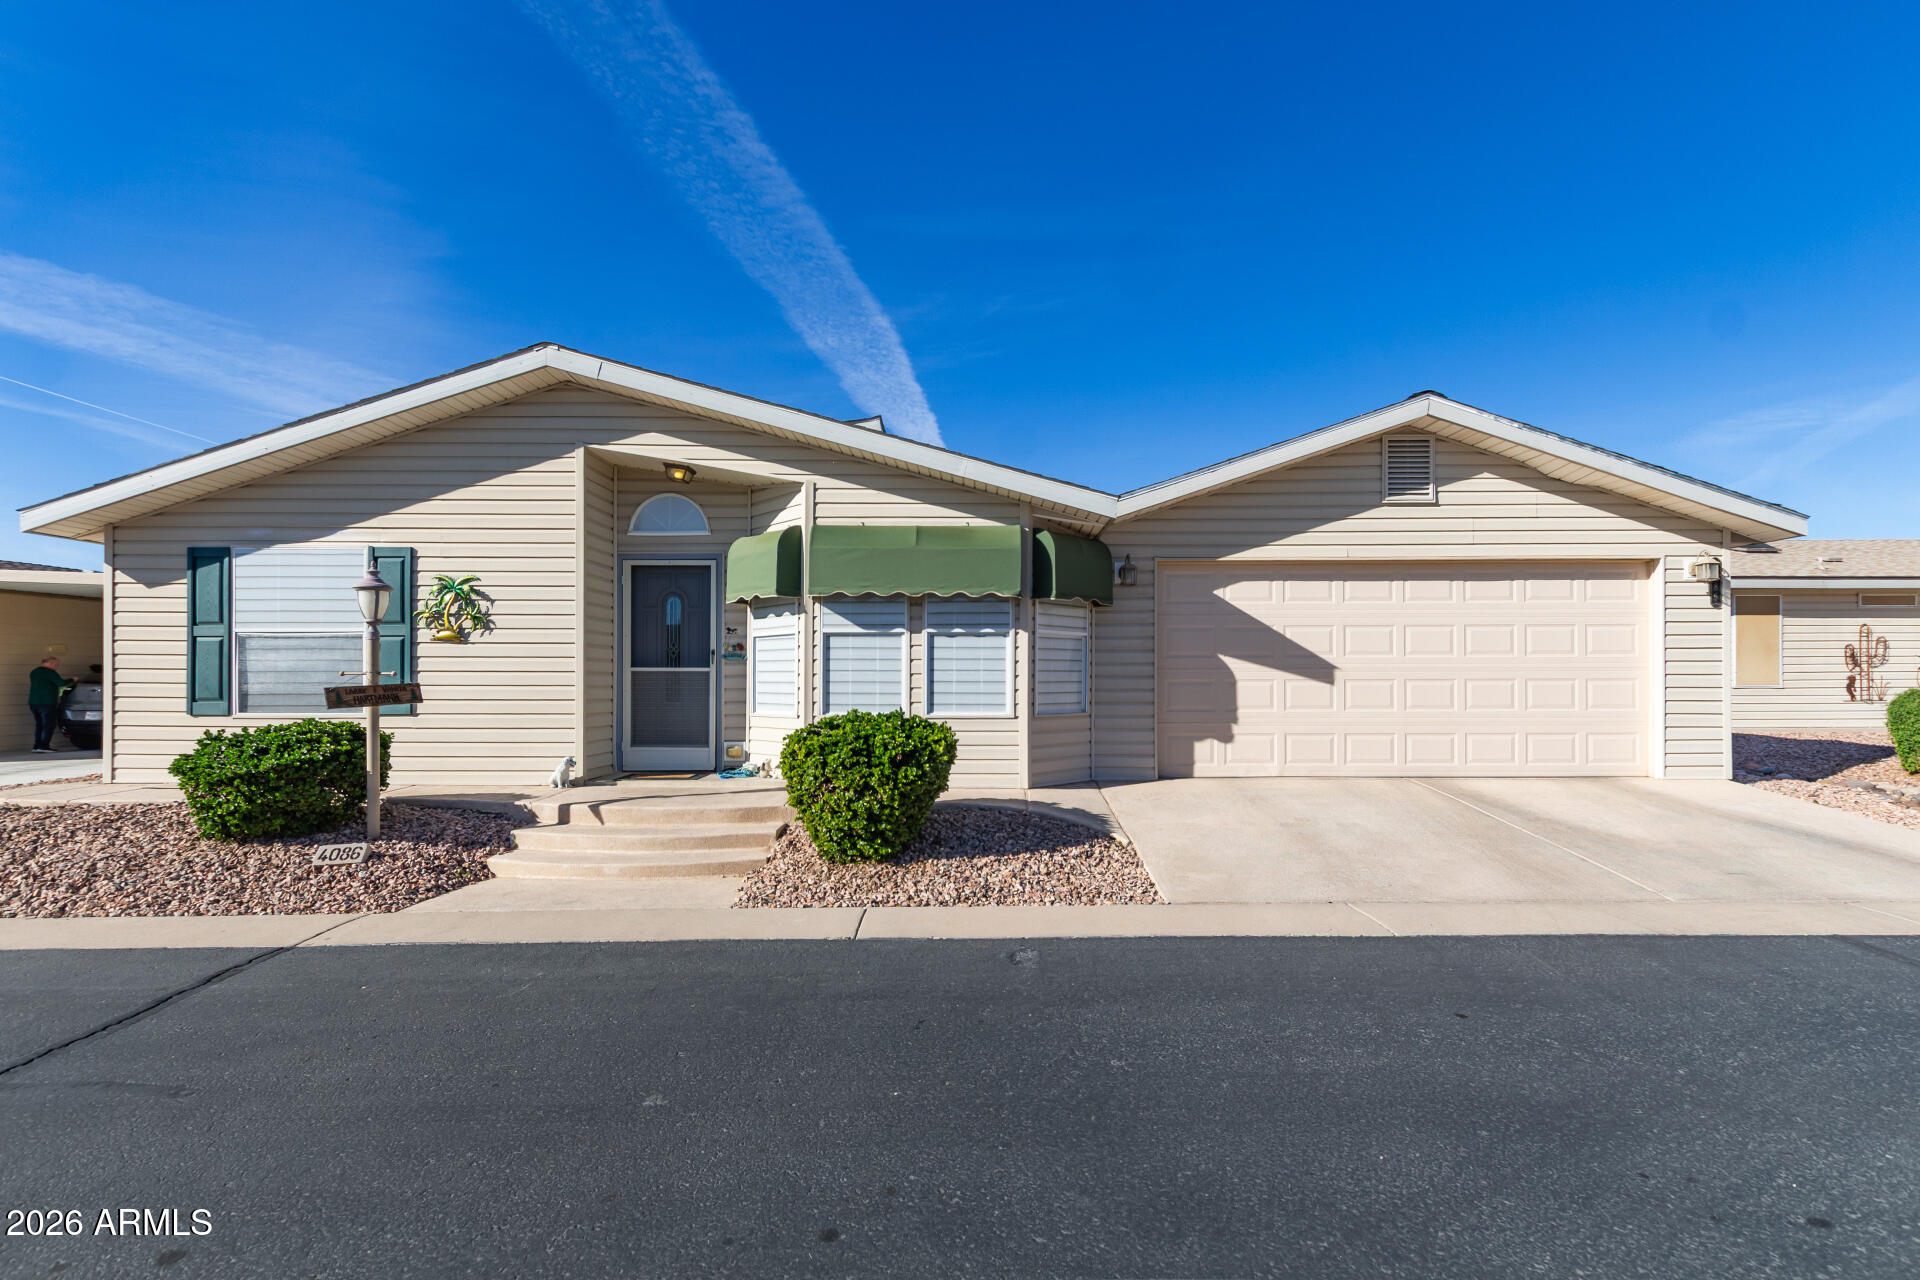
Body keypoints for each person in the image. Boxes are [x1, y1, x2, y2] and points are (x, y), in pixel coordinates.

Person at [28, 656, 73, 753]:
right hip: (47, 702)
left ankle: (37, 746)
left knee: (40, 724)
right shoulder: (49, 672)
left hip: (34, 702)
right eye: (56, 664)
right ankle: (44, 746)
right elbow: (61, 683)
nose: (56, 667)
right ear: (50, 663)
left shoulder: (34, 672)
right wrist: (73, 679)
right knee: (48, 724)